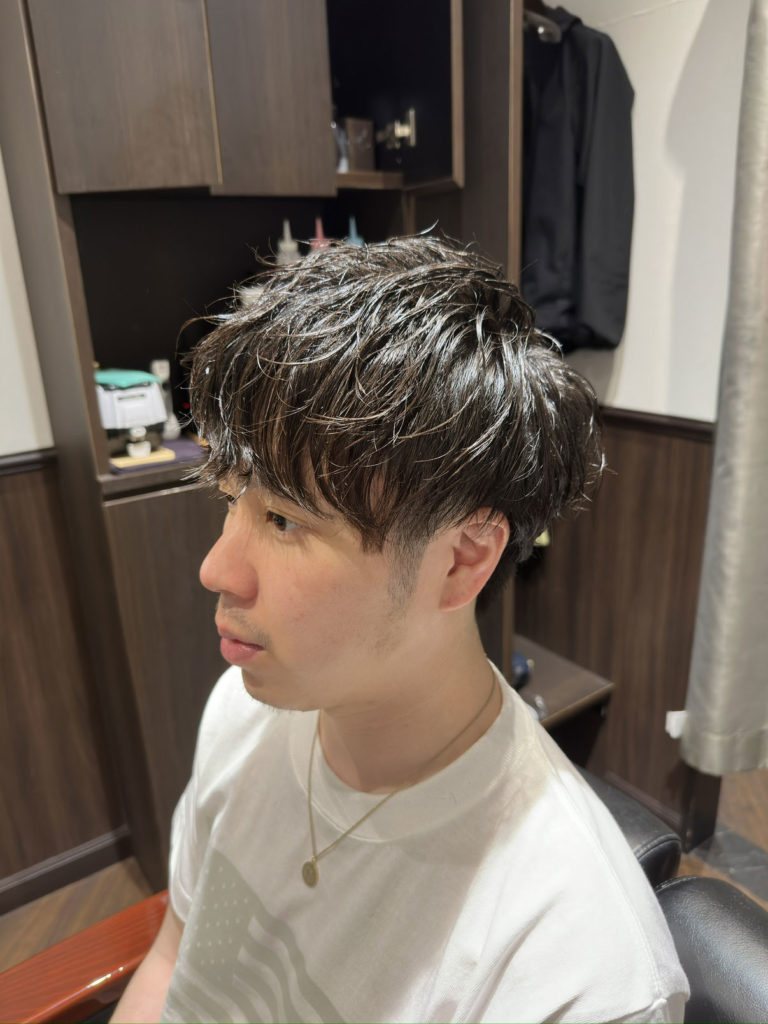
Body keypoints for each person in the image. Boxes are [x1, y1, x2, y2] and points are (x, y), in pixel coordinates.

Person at [113, 235, 688, 1023]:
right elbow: (174, 958)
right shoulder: (242, 710)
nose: (217, 568)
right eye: (232, 497)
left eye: (282, 519)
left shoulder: (576, 968)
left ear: (462, 559)